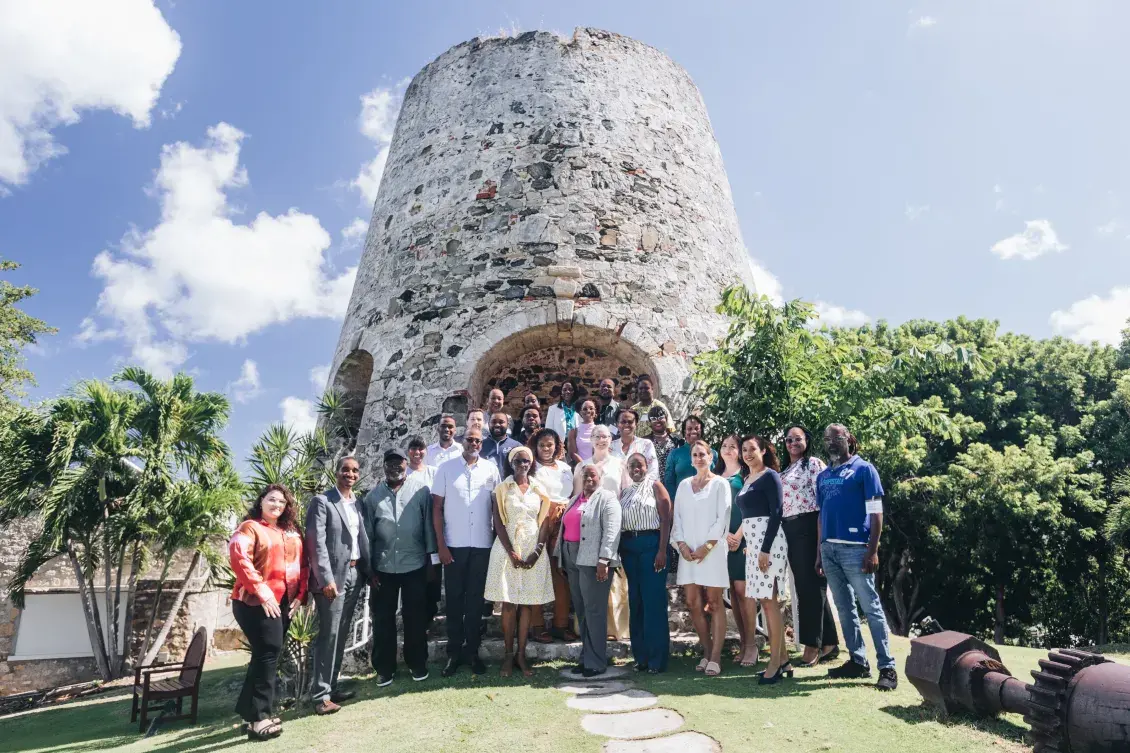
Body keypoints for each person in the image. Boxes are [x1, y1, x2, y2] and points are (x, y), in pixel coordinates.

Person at [817, 424, 898, 691]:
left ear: (849, 439)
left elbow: (876, 513)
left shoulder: (864, 470)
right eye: (827, 438)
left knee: (871, 608)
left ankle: (887, 667)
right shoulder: (824, 475)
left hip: (857, 549)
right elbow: (821, 514)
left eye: (836, 437)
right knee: (844, 608)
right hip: (829, 550)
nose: (831, 442)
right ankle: (857, 661)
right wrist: (820, 550)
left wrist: (872, 550)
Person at [229, 484, 307, 740]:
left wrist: (300, 596)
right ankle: (260, 718)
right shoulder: (250, 527)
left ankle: (250, 712)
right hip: (254, 601)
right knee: (268, 655)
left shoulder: (292, 532)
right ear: (261, 501)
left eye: (282, 502)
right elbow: (239, 558)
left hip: (284, 603)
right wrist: (262, 593)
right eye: (272, 499)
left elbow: (303, 565)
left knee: (265, 655)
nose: (276, 505)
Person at [362, 449, 435, 686]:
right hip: (383, 567)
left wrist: (430, 561)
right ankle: (384, 668)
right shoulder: (372, 498)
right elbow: (368, 535)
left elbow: (427, 527)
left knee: (415, 618)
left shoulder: (421, 491)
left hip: (414, 564)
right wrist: (370, 569)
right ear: (383, 466)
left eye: (399, 463)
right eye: (390, 463)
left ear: (406, 464)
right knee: (383, 619)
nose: (395, 467)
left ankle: (417, 663)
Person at [432, 427, 501, 677]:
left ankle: (471, 651)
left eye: (478, 441)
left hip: (482, 545)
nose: (474, 444)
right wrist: (441, 545)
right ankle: (453, 654)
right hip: (454, 546)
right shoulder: (446, 469)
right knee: (454, 601)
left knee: (474, 602)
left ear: (482, 444)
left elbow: (497, 507)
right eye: (470, 440)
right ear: (462, 442)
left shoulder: (491, 470)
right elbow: (436, 508)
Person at [485, 446, 558, 677]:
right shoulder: (502, 489)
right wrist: (511, 552)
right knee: (508, 603)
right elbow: (497, 522)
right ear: (511, 463)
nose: (522, 464)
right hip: (508, 548)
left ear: (531, 463)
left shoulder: (539, 489)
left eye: (526, 460)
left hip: (532, 548)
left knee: (527, 604)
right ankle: (507, 656)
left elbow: (545, 522)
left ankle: (521, 655)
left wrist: (537, 550)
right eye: (518, 461)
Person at [305, 456, 370, 715]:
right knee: (329, 635)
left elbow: (361, 540)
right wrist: (325, 579)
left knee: (341, 634)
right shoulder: (322, 502)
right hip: (333, 579)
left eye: (355, 470)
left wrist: (368, 571)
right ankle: (320, 696)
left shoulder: (358, 504)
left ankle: (331, 686)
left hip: (355, 574)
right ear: (336, 472)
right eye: (345, 469)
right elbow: (316, 543)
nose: (350, 474)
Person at [671, 439, 731, 676]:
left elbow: (723, 517)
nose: (698, 458)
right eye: (694, 455)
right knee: (693, 602)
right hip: (688, 554)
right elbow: (678, 519)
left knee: (714, 603)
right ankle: (706, 652)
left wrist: (707, 547)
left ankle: (716, 657)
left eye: (702, 454)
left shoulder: (720, 484)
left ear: (711, 457)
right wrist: (682, 546)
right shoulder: (684, 485)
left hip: (713, 551)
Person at [780, 425, 839, 667]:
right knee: (810, 587)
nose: (792, 443)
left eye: (797, 439)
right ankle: (830, 643)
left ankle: (811, 645)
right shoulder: (786, 469)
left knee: (810, 589)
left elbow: (823, 500)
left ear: (807, 441)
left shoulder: (813, 464)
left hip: (809, 526)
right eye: (788, 439)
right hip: (790, 530)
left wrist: (822, 536)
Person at [557, 464, 622, 677]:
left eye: (592, 475)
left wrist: (604, 559)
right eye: (585, 475)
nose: (588, 478)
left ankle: (596, 661)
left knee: (594, 610)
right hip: (571, 557)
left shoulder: (607, 498)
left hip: (594, 561)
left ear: (600, 477)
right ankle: (586, 657)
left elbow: (612, 531)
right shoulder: (576, 499)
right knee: (582, 610)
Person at [736, 436, 790, 684]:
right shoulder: (747, 479)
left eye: (752, 449)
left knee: (770, 602)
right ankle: (785, 660)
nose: (747, 454)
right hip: (754, 545)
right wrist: (750, 545)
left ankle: (775, 664)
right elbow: (749, 517)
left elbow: (776, 512)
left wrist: (765, 548)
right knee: (765, 601)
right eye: (744, 450)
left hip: (769, 544)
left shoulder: (771, 476)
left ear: (764, 451)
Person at [573, 424, 630, 642]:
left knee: (613, 576)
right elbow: (577, 496)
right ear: (590, 439)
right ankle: (590, 629)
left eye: (605, 436)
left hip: (612, 524)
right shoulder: (582, 466)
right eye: (597, 436)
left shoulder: (619, 464)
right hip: (588, 526)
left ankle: (615, 628)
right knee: (589, 578)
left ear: (611, 439)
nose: (601, 440)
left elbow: (624, 493)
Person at [618, 453, 672, 673]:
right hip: (629, 548)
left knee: (653, 603)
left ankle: (657, 660)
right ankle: (640, 658)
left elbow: (666, 518)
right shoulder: (625, 492)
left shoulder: (655, 486)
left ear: (647, 465)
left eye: (638, 465)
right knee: (636, 602)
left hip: (652, 546)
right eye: (631, 466)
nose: (635, 469)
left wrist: (662, 550)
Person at [528, 428, 577, 644]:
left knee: (561, 572)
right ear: (535, 447)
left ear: (557, 446)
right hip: (539, 520)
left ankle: (560, 624)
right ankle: (536, 625)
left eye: (550, 444)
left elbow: (574, 494)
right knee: (538, 571)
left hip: (564, 521)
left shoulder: (567, 468)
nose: (547, 449)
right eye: (542, 445)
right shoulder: (531, 467)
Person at [717, 434, 758, 667]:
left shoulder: (745, 475)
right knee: (733, 592)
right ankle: (743, 643)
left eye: (733, 446)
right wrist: (724, 537)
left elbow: (750, 507)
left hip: (743, 538)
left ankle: (752, 645)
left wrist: (738, 535)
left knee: (744, 591)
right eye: (724, 446)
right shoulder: (715, 474)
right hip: (722, 541)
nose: (728, 449)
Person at [406, 435, 442, 630]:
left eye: (421, 449)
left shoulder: (433, 473)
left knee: (433, 575)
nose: (417, 452)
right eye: (413, 448)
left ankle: (430, 613)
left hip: (431, 531)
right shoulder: (403, 474)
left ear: (426, 451)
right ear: (408, 451)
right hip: (410, 533)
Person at [663, 416, 714, 501]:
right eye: (689, 429)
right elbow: (669, 482)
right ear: (684, 431)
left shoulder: (712, 454)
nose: (693, 431)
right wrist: (674, 502)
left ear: (701, 431)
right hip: (682, 501)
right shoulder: (674, 454)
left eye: (697, 428)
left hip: (708, 501)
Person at [612, 409, 658, 478]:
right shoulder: (610, 447)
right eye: (623, 422)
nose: (626, 424)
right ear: (617, 424)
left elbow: (653, 472)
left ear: (636, 424)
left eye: (630, 422)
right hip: (614, 488)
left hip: (640, 487)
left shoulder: (646, 444)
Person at [483, 411, 523, 479]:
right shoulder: (480, 445)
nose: (497, 425)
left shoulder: (517, 446)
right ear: (489, 424)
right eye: (493, 422)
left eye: (501, 422)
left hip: (509, 487)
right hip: (485, 487)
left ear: (508, 424)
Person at [647, 405, 682, 482]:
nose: (657, 421)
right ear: (649, 422)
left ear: (666, 419)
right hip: (652, 485)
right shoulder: (645, 442)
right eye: (653, 419)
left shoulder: (677, 441)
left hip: (673, 484)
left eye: (661, 418)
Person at [567, 398, 598, 466]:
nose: (588, 411)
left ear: (595, 412)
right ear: (580, 413)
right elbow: (572, 453)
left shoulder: (600, 430)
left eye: (591, 408)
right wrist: (585, 466)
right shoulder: (573, 432)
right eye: (585, 409)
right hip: (581, 468)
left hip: (598, 467)